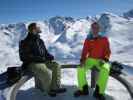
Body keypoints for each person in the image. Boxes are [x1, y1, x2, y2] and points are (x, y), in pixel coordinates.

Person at [19, 23, 66, 97]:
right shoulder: (25, 42)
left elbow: (45, 52)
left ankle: (55, 87)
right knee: (46, 72)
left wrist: (49, 56)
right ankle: (49, 90)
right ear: (34, 30)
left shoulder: (40, 40)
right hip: (32, 63)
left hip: (42, 61)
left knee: (56, 65)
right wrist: (38, 58)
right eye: (38, 27)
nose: (39, 28)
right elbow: (23, 57)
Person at [74, 22, 111, 100]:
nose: (95, 30)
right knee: (80, 68)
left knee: (105, 69)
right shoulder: (88, 39)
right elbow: (85, 51)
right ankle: (83, 89)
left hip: (101, 59)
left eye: (97, 28)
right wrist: (83, 60)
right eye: (93, 28)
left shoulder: (104, 39)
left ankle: (99, 92)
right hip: (90, 59)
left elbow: (108, 51)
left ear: (99, 29)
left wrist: (105, 59)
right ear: (91, 29)